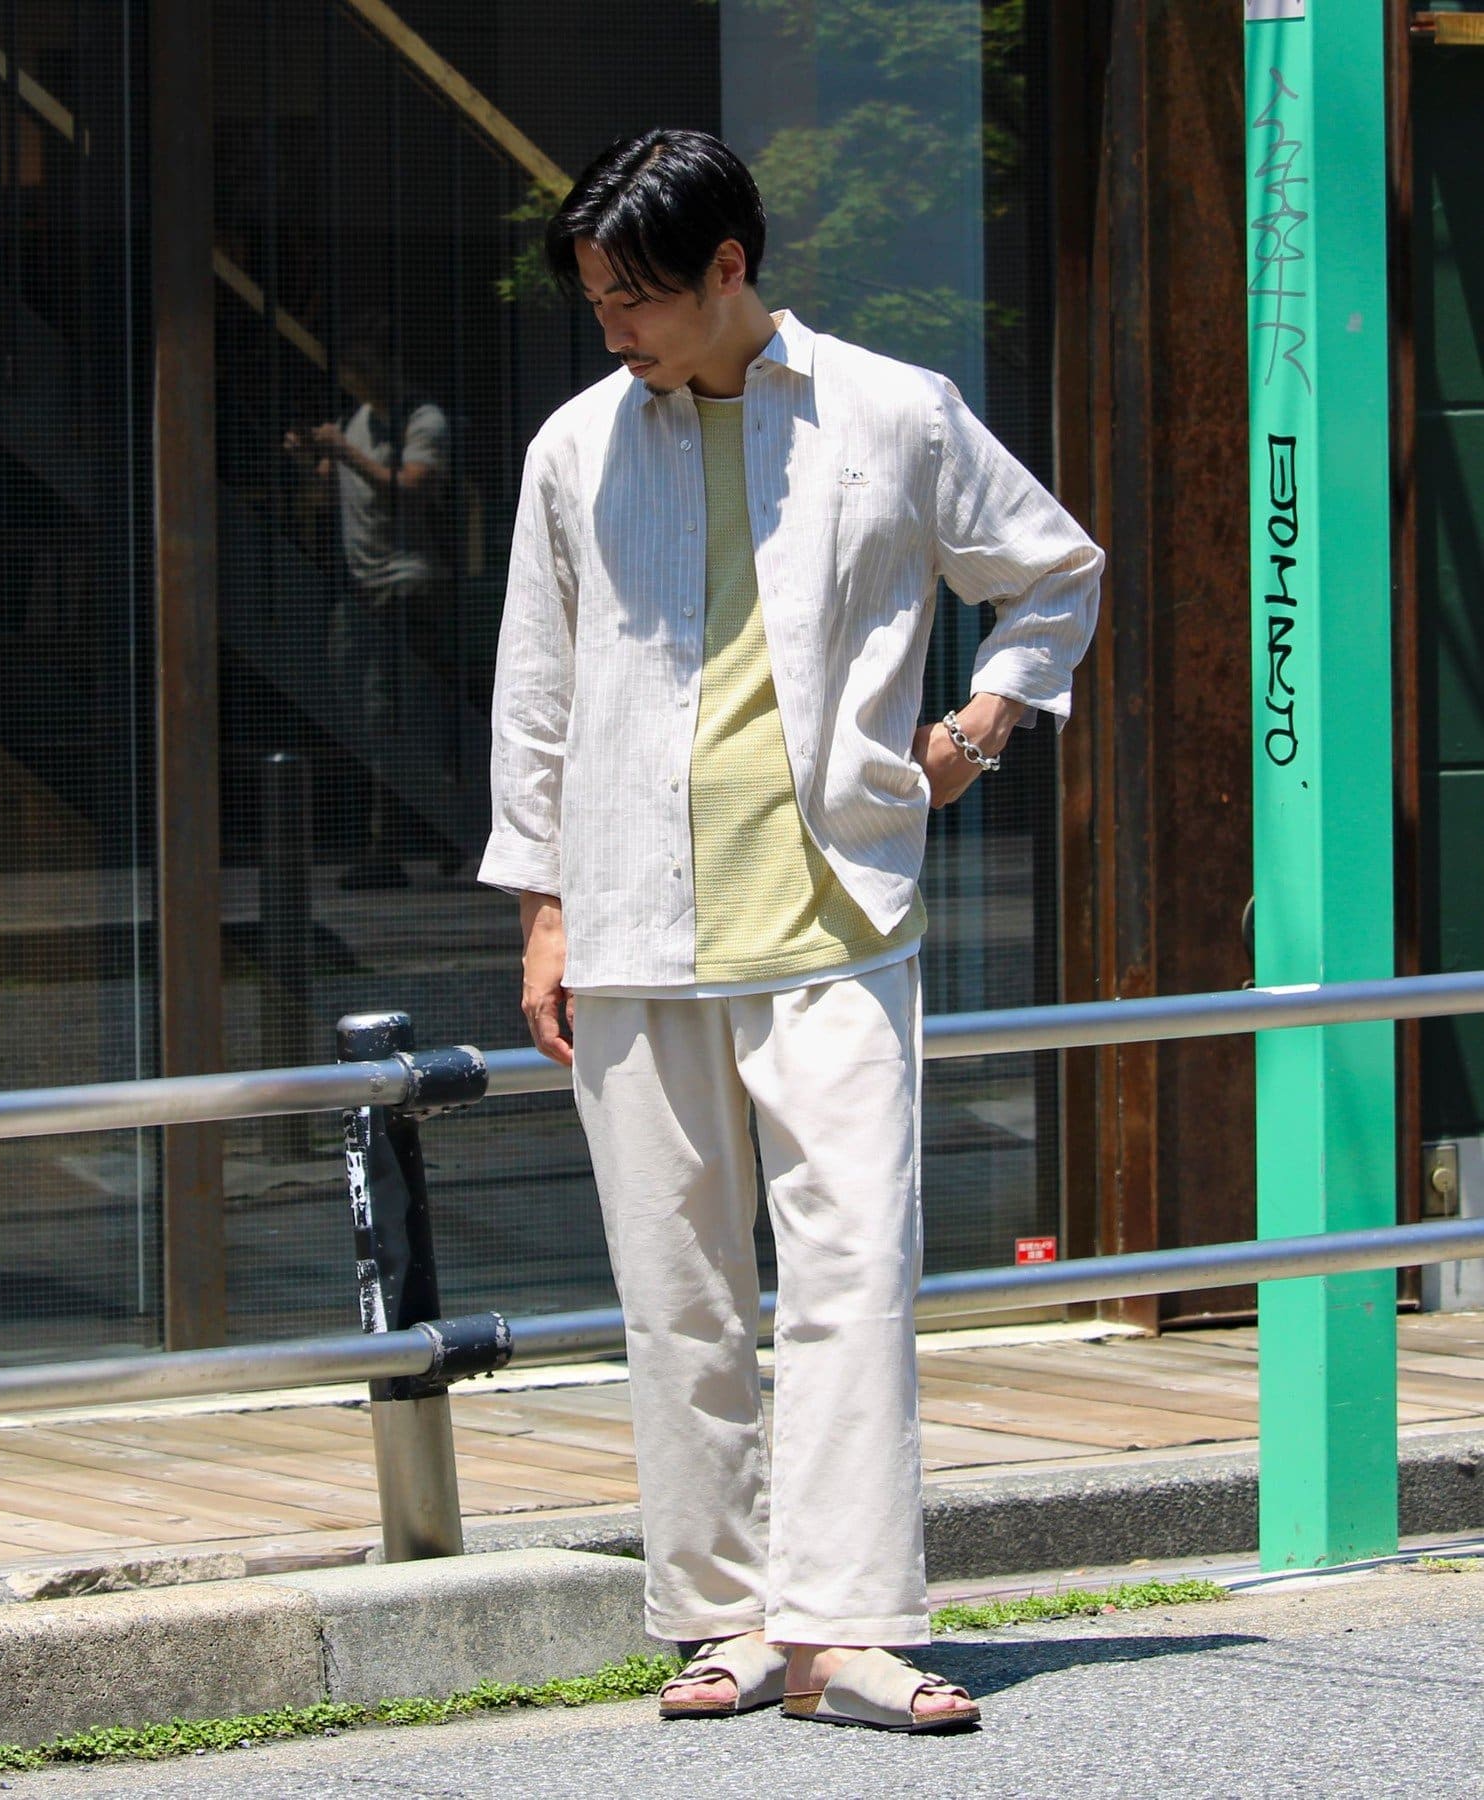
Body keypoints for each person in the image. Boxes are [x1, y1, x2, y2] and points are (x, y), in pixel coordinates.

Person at [479, 129, 1101, 1733]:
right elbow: (537, 688)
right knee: (677, 1290)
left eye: (635, 296)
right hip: (632, 926)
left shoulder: (892, 413)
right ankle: (726, 1620)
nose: (613, 326)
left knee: (853, 1274)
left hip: (838, 916)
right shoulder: (574, 447)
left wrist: (975, 732)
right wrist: (543, 907)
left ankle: (842, 1632)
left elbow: (1053, 573)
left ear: (729, 268)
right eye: (597, 299)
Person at [286, 313, 450, 890]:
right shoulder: (358, 420)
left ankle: (393, 846)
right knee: (359, 711)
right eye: (349, 370)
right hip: (359, 590)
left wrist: (346, 454)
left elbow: (411, 488)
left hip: (405, 586)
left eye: (363, 368)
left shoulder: (422, 420)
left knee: (393, 716)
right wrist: (313, 460)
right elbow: (329, 496)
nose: (355, 380)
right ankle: (441, 826)